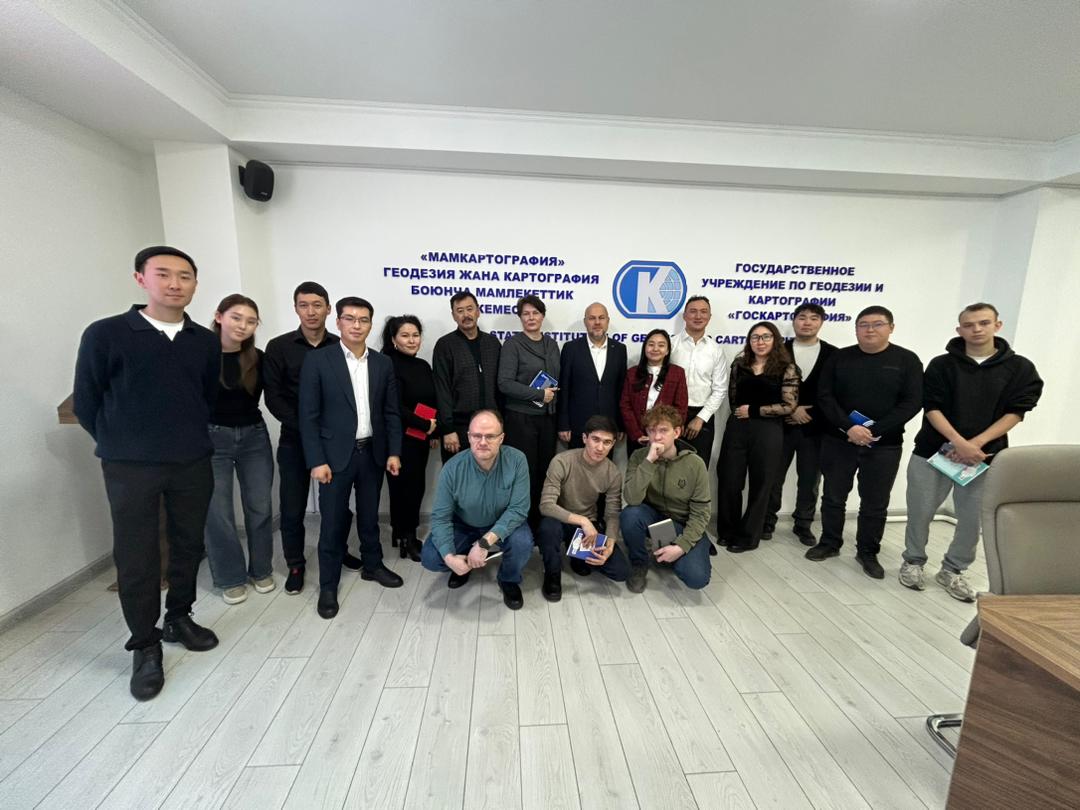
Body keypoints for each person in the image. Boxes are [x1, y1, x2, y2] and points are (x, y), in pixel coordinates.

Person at [74, 246, 220, 701]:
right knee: (136, 555)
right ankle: (144, 644)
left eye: (185, 276)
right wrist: (123, 443)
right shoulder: (107, 333)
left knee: (188, 543)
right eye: (164, 274)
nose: (175, 283)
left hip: (191, 460)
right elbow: (86, 401)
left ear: (195, 284)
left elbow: (206, 397)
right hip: (130, 466)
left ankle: (178, 616)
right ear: (141, 279)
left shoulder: (204, 340)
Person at [900, 303, 1043, 601]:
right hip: (932, 452)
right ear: (959, 330)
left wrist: (975, 444)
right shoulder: (941, 365)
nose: (976, 329)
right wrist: (958, 442)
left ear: (997, 326)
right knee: (920, 511)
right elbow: (932, 407)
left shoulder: (1020, 368)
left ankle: (953, 570)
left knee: (971, 518)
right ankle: (913, 561)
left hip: (984, 457)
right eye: (969, 324)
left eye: (984, 323)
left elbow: (1017, 411)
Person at [299, 297, 404, 620]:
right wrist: (316, 460)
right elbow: (308, 416)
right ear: (338, 322)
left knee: (370, 516)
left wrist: (394, 451)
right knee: (332, 522)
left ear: (371, 324)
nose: (357, 325)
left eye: (363, 320)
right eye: (350, 319)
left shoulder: (383, 363)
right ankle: (328, 585)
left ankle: (373, 564)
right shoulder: (318, 360)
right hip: (333, 458)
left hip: (372, 452)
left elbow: (391, 412)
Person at [807, 306, 923, 579]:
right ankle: (830, 542)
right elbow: (825, 396)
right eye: (863, 324)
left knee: (875, 502)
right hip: (839, 440)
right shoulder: (839, 358)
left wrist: (873, 430)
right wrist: (849, 427)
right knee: (833, 496)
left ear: (891, 328)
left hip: (884, 444)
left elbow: (912, 402)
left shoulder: (907, 360)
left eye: (877, 324)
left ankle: (868, 552)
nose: (870, 329)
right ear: (856, 328)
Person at [263, 282, 343, 596]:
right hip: (294, 439)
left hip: (333, 439)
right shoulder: (279, 347)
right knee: (293, 506)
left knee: (336, 505)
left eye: (317, 305)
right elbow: (274, 398)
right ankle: (295, 564)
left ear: (328, 309)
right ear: (296, 308)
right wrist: (308, 427)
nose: (311, 311)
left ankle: (337, 552)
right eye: (304, 305)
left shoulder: (340, 346)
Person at [420, 410, 533, 610]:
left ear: (501, 438)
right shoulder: (452, 468)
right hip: (464, 524)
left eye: (490, 436)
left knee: (523, 543)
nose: (482, 442)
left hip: (503, 523)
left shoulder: (517, 460)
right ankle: (463, 563)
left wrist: (483, 543)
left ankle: (508, 579)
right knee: (431, 557)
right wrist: (449, 558)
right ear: (469, 437)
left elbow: (518, 509)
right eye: (476, 436)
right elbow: (440, 518)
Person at [205, 294, 275, 605]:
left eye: (250, 321)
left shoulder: (258, 357)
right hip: (211, 438)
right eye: (236, 317)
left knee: (260, 507)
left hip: (253, 437)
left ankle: (261, 570)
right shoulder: (200, 354)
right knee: (218, 512)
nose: (242, 325)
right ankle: (230, 577)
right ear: (219, 316)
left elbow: (277, 393)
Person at [716, 322, 799, 553]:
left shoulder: (786, 368)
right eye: (755, 337)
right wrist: (744, 414)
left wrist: (754, 411)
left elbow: (789, 406)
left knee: (761, 484)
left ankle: (748, 536)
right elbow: (733, 398)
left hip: (768, 430)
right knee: (729, 479)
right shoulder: (739, 364)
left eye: (766, 337)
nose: (760, 342)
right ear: (749, 341)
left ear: (775, 340)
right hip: (737, 428)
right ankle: (727, 531)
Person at [763, 303, 838, 545]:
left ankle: (803, 524)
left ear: (821, 322)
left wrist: (809, 412)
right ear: (794, 321)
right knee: (773, 477)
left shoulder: (833, 354)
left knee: (810, 480)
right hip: (780, 426)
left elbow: (836, 393)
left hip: (815, 428)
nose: (807, 322)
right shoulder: (778, 351)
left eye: (813, 318)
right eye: (802, 317)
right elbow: (767, 386)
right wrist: (792, 409)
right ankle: (767, 521)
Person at [537, 415, 630, 601]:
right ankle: (552, 573)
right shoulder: (562, 461)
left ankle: (577, 557)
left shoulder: (613, 473)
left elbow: (612, 513)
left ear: (613, 444)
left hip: (587, 529)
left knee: (621, 571)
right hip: (560, 519)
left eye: (607, 442)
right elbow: (546, 505)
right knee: (548, 528)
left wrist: (611, 543)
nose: (600, 447)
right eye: (595, 439)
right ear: (585, 438)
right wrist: (583, 521)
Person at [620, 404, 712, 593]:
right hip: (654, 519)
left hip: (683, 525)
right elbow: (632, 498)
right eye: (651, 431)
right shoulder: (639, 457)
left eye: (663, 430)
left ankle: (680, 548)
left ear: (677, 432)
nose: (657, 437)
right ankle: (639, 563)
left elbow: (701, 512)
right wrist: (649, 462)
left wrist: (681, 546)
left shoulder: (695, 464)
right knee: (630, 514)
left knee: (696, 578)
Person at [497, 295, 561, 528]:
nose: (531, 317)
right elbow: (504, 383)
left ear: (542, 316)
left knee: (545, 472)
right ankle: (522, 523)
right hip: (520, 419)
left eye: (535, 313)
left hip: (547, 419)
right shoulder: (513, 344)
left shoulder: (551, 344)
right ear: (520, 317)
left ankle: (540, 522)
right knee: (525, 474)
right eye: (526, 313)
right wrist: (538, 395)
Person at [382, 315, 439, 561]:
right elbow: (394, 405)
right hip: (398, 439)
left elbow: (431, 400)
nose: (412, 340)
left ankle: (402, 531)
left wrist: (432, 431)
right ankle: (407, 537)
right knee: (403, 490)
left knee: (416, 487)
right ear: (393, 339)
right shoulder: (388, 364)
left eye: (415, 335)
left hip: (420, 438)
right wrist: (425, 425)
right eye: (405, 335)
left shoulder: (423, 365)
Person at [432, 290, 502, 464]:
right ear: (453, 316)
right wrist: (448, 429)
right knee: (458, 477)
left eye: (470, 309)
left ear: (478, 311)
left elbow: (500, 386)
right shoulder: (445, 345)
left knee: (490, 475)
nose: (466, 315)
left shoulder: (493, 343)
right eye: (460, 311)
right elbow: (442, 389)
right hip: (458, 428)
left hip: (491, 427)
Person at [557, 302, 627, 448]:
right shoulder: (571, 348)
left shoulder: (619, 349)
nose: (597, 322)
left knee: (604, 463)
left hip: (608, 427)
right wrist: (563, 423)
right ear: (585, 322)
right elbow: (564, 388)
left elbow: (621, 390)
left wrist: (620, 424)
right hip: (578, 426)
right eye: (592, 318)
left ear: (608, 321)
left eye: (601, 318)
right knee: (576, 462)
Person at [670, 296, 728, 467]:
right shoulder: (671, 345)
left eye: (703, 312)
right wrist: (671, 418)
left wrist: (700, 418)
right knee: (669, 467)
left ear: (709, 317)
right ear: (685, 316)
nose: (698, 316)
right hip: (671, 415)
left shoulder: (715, 350)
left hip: (702, 416)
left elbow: (720, 389)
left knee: (698, 469)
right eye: (693, 311)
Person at [619, 329, 688, 447]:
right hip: (637, 438)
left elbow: (680, 408)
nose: (655, 349)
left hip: (665, 439)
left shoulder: (677, 373)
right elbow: (625, 405)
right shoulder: (632, 373)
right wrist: (637, 434)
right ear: (645, 348)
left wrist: (663, 434)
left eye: (661, 345)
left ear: (667, 351)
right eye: (651, 344)